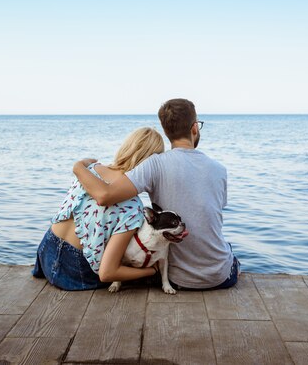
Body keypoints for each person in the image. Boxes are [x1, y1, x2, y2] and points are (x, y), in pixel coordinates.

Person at [73, 98, 239, 290]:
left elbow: (105, 195)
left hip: (177, 279)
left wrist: (78, 167)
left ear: (166, 132)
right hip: (220, 276)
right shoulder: (220, 169)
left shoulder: (155, 164)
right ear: (194, 128)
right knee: (230, 253)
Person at [32, 127, 165, 290]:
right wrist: (151, 271)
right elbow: (107, 273)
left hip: (47, 249)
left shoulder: (90, 170)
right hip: (76, 270)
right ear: (150, 164)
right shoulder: (133, 207)